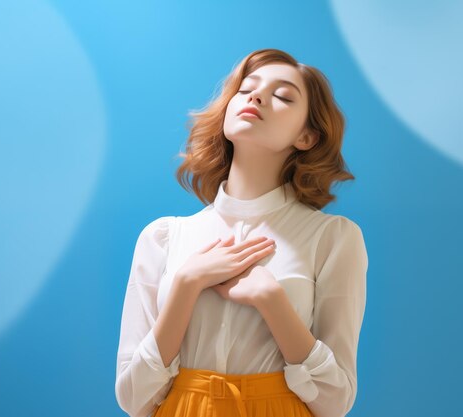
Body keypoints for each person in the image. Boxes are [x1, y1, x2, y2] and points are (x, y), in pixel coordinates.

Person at [115, 48, 368, 417]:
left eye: (282, 96)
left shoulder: (333, 239)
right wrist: (186, 283)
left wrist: (273, 302)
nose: (257, 96)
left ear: (307, 137)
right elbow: (133, 398)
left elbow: (335, 401)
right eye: (246, 89)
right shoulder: (163, 238)